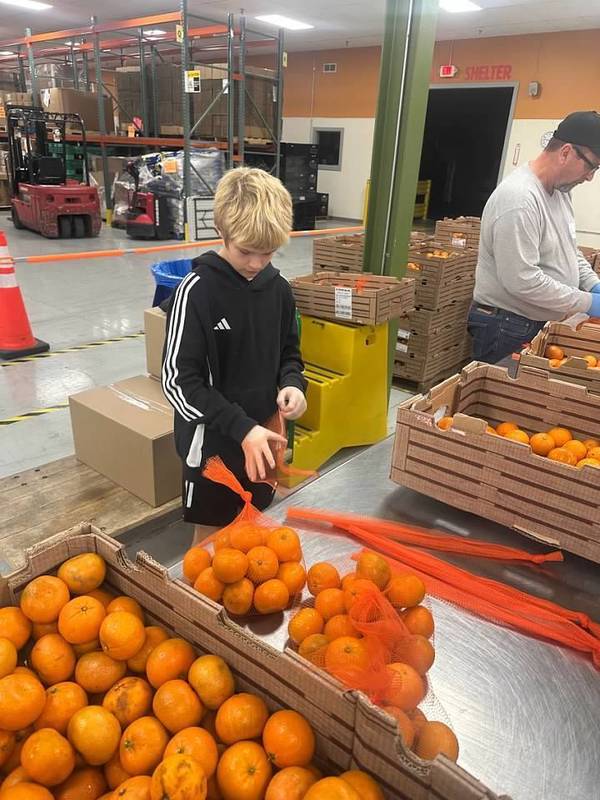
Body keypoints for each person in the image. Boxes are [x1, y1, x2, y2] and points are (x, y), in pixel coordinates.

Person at [162, 167, 307, 539]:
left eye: (268, 252)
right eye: (246, 251)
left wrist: (293, 384)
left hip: (264, 439)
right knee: (211, 547)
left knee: (253, 535)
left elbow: (290, 353)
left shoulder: (279, 291)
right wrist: (241, 429)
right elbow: (179, 381)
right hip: (213, 445)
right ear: (223, 233)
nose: (257, 263)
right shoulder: (196, 291)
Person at [468, 110, 600, 364]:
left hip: (533, 320)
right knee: (504, 401)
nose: (589, 177)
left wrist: (593, 284)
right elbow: (522, 280)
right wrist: (586, 302)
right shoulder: (519, 200)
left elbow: (568, 249)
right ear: (566, 152)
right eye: (590, 166)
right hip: (506, 326)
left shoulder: (561, 192)